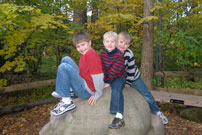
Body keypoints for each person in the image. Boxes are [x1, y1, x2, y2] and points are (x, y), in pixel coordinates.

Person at [117, 32, 168, 125]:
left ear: (129, 45)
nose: (123, 45)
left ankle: (157, 112)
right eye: (121, 42)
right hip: (121, 77)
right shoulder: (112, 52)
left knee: (146, 94)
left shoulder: (129, 54)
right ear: (116, 41)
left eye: (126, 44)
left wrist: (128, 82)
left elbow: (131, 70)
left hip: (134, 77)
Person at [50, 32, 104, 116]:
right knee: (66, 59)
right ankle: (68, 90)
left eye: (83, 44)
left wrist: (98, 94)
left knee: (63, 67)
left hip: (87, 91)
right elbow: (82, 72)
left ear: (89, 42)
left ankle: (67, 103)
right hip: (83, 82)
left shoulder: (90, 54)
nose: (81, 48)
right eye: (78, 46)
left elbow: (98, 75)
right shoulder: (84, 54)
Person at [100, 31, 126, 129]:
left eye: (112, 41)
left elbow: (115, 71)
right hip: (107, 77)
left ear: (116, 43)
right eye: (107, 41)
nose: (109, 44)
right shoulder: (102, 54)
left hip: (119, 77)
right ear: (104, 42)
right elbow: (102, 68)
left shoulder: (119, 55)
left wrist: (108, 82)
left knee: (116, 90)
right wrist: (102, 80)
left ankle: (119, 117)